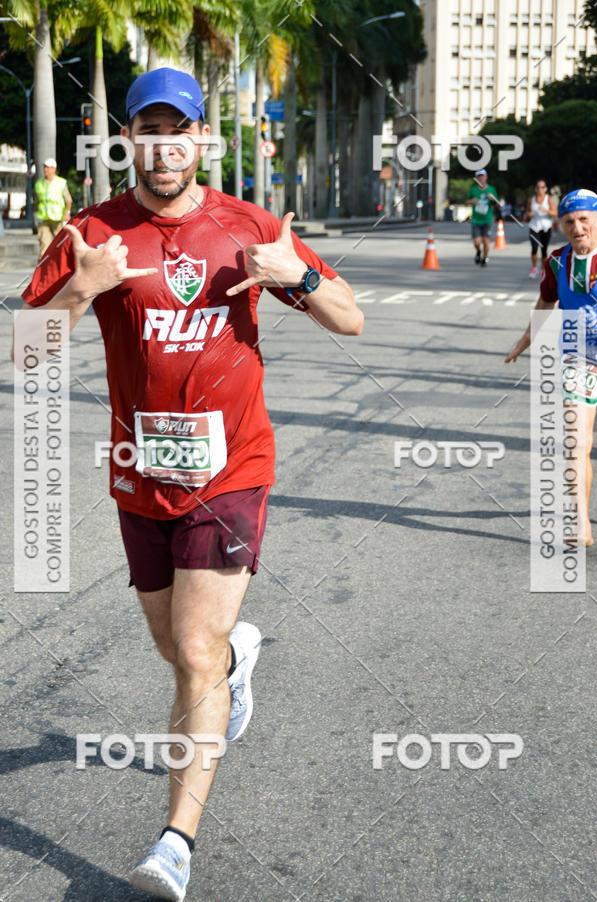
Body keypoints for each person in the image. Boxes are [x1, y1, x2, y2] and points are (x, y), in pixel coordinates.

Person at [18, 67, 363, 901]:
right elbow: (28, 348)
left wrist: (300, 278)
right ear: (128, 139)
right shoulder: (93, 234)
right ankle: (240, 662)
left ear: (201, 138)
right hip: (142, 477)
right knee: (180, 648)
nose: (165, 144)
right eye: (149, 128)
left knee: (194, 651)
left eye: (181, 129)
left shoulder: (247, 223)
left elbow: (352, 316)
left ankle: (175, 844)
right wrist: (82, 288)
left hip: (233, 468)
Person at [505, 188, 597, 546]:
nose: (577, 228)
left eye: (584, 220)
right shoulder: (557, 262)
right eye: (570, 222)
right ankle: (581, 523)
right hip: (579, 355)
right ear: (560, 225)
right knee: (576, 441)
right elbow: (546, 301)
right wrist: (525, 340)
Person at [33, 157, 72, 259]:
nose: (46, 169)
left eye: (48, 167)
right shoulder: (38, 184)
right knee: (44, 247)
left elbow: (68, 200)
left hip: (58, 219)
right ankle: (43, 271)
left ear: (54, 169)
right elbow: (37, 201)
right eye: (45, 167)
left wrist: (67, 213)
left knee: (61, 244)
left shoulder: (61, 183)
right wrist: (36, 215)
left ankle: (62, 268)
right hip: (43, 219)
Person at [525, 179, 557, 279]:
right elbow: (527, 212)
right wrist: (529, 214)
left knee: (544, 251)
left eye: (542, 187)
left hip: (546, 227)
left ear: (546, 189)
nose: (540, 189)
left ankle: (543, 269)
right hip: (534, 227)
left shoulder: (548, 199)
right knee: (534, 248)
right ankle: (534, 268)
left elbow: (555, 213)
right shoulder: (532, 199)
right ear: (536, 189)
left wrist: (546, 210)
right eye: (538, 187)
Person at [466, 168, 498, 267]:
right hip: (476, 219)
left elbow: (497, 204)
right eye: (479, 177)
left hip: (487, 219)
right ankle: (478, 251)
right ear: (476, 178)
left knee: (486, 241)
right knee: (477, 242)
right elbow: (467, 201)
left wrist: (492, 199)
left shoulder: (491, 189)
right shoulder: (473, 190)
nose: (481, 178)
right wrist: (472, 201)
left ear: (486, 177)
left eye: (482, 176)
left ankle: (484, 258)